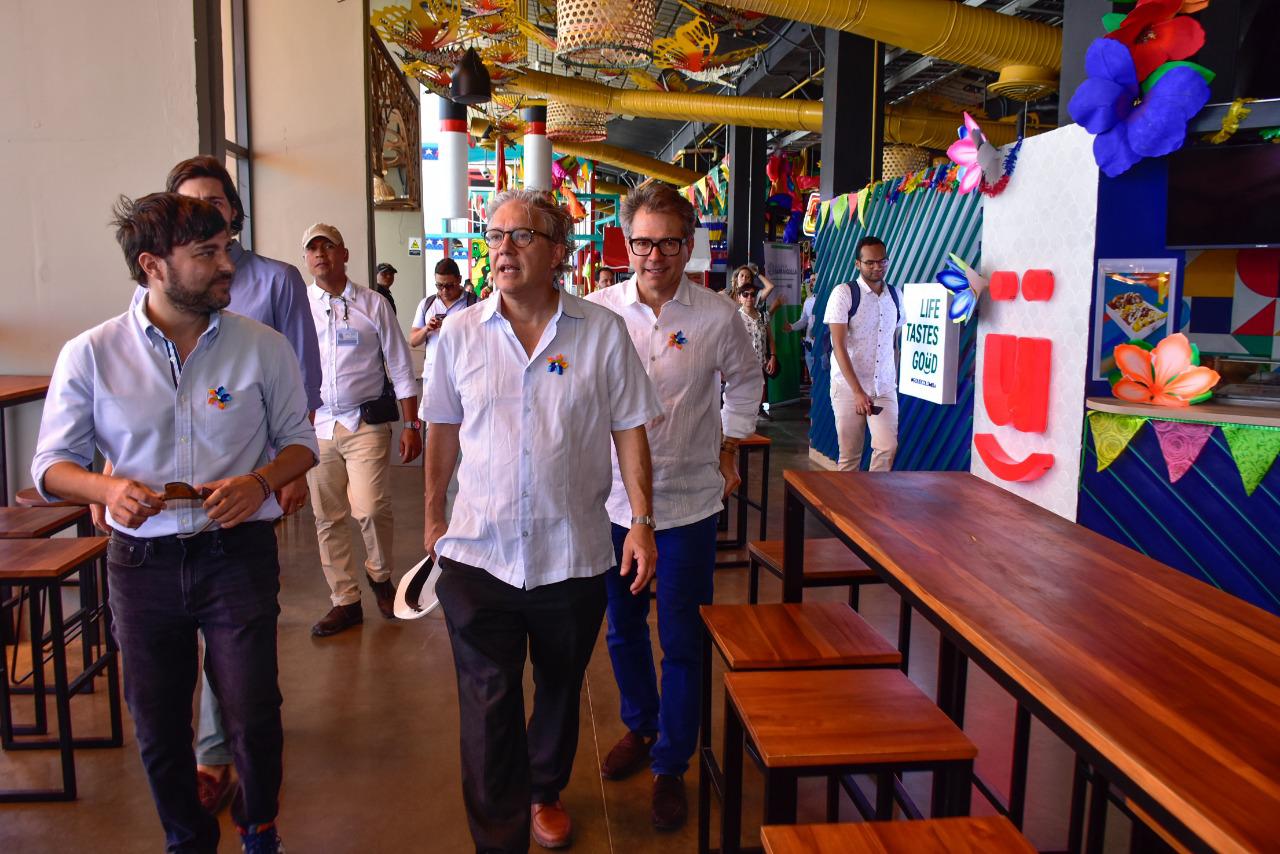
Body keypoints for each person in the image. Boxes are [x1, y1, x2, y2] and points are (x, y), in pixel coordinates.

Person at [32, 193, 318, 854]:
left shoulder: (262, 347)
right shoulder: (92, 354)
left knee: (252, 709)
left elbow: (301, 442)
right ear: (152, 265)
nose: (228, 267)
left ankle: (258, 827)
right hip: (141, 565)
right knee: (158, 721)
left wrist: (260, 482)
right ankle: (185, 839)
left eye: (226, 250)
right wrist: (106, 488)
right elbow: (51, 464)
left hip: (236, 556)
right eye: (208, 255)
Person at [422, 189, 661, 853]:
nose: (502, 248)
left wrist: (641, 519)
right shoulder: (460, 334)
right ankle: (499, 838)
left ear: (558, 252)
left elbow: (630, 429)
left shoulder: (602, 333)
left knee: (558, 686)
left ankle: (544, 787)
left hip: (573, 554)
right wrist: (432, 517)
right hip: (478, 553)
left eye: (521, 236)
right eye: (495, 236)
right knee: (489, 701)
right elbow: (440, 429)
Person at [118, 154, 323, 815]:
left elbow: (299, 395)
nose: (219, 258)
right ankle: (207, 772)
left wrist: (273, 478)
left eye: (217, 214)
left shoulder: (272, 288)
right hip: (153, 542)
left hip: (243, 510)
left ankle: (239, 781)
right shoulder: (108, 342)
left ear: (233, 212)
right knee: (159, 700)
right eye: (191, 210)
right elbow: (107, 425)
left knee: (247, 685)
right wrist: (106, 488)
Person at [585, 184, 761, 831]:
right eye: (642, 242)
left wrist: (730, 441)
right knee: (623, 625)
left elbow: (746, 382)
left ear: (689, 246)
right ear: (626, 244)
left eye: (667, 243)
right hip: (608, 499)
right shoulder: (599, 312)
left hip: (688, 503)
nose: (653, 255)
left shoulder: (717, 317)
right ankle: (641, 724)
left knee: (682, 639)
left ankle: (671, 763)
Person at [304, 224, 422, 637]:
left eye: (328, 247)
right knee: (326, 516)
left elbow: (401, 367)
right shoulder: (301, 308)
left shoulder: (372, 304)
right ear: (307, 259)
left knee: (371, 508)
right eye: (313, 250)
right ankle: (345, 600)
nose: (321, 255)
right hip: (316, 425)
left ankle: (380, 575)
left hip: (365, 422)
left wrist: (411, 424)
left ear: (345, 253)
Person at [825, 235, 901, 471]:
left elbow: (894, 342)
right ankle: (844, 508)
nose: (877, 266)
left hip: (884, 387)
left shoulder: (896, 296)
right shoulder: (844, 293)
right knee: (850, 457)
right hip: (849, 387)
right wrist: (858, 391)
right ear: (858, 264)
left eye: (882, 261)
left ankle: (872, 502)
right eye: (870, 262)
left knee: (887, 447)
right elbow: (838, 345)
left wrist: (893, 376)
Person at [410, 258, 477, 420]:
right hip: (433, 376)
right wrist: (427, 328)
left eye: (449, 285)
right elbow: (413, 340)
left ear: (459, 280)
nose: (444, 290)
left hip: (465, 375)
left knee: (467, 426)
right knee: (434, 427)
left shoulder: (473, 303)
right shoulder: (427, 304)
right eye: (439, 286)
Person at [783, 281, 818, 382]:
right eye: (811, 280)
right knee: (813, 379)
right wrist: (791, 327)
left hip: (823, 346)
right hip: (809, 346)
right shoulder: (808, 300)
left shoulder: (829, 298)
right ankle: (813, 398)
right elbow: (803, 321)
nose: (812, 282)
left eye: (814, 279)